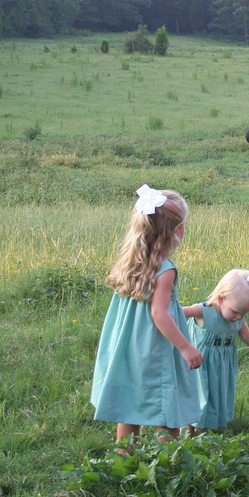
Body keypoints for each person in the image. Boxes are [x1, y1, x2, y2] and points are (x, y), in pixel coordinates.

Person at [90, 184, 203, 444]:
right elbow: (159, 313)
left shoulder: (131, 261)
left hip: (129, 346)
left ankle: (124, 459)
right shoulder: (165, 269)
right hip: (156, 346)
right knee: (167, 405)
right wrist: (186, 347)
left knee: (130, 407)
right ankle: (165, 464)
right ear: (177, 231)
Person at [183, 269, 249, 431]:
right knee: (198, 393)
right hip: (200, 365)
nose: (239, 317)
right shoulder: (203, 311)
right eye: (236, 312)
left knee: (217, 393)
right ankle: (186, 427)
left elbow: (246, 334)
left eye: (244, 313)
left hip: (221, 366)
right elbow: (179, 313)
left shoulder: (237, 317)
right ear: (221, 298)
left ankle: (211, 423)